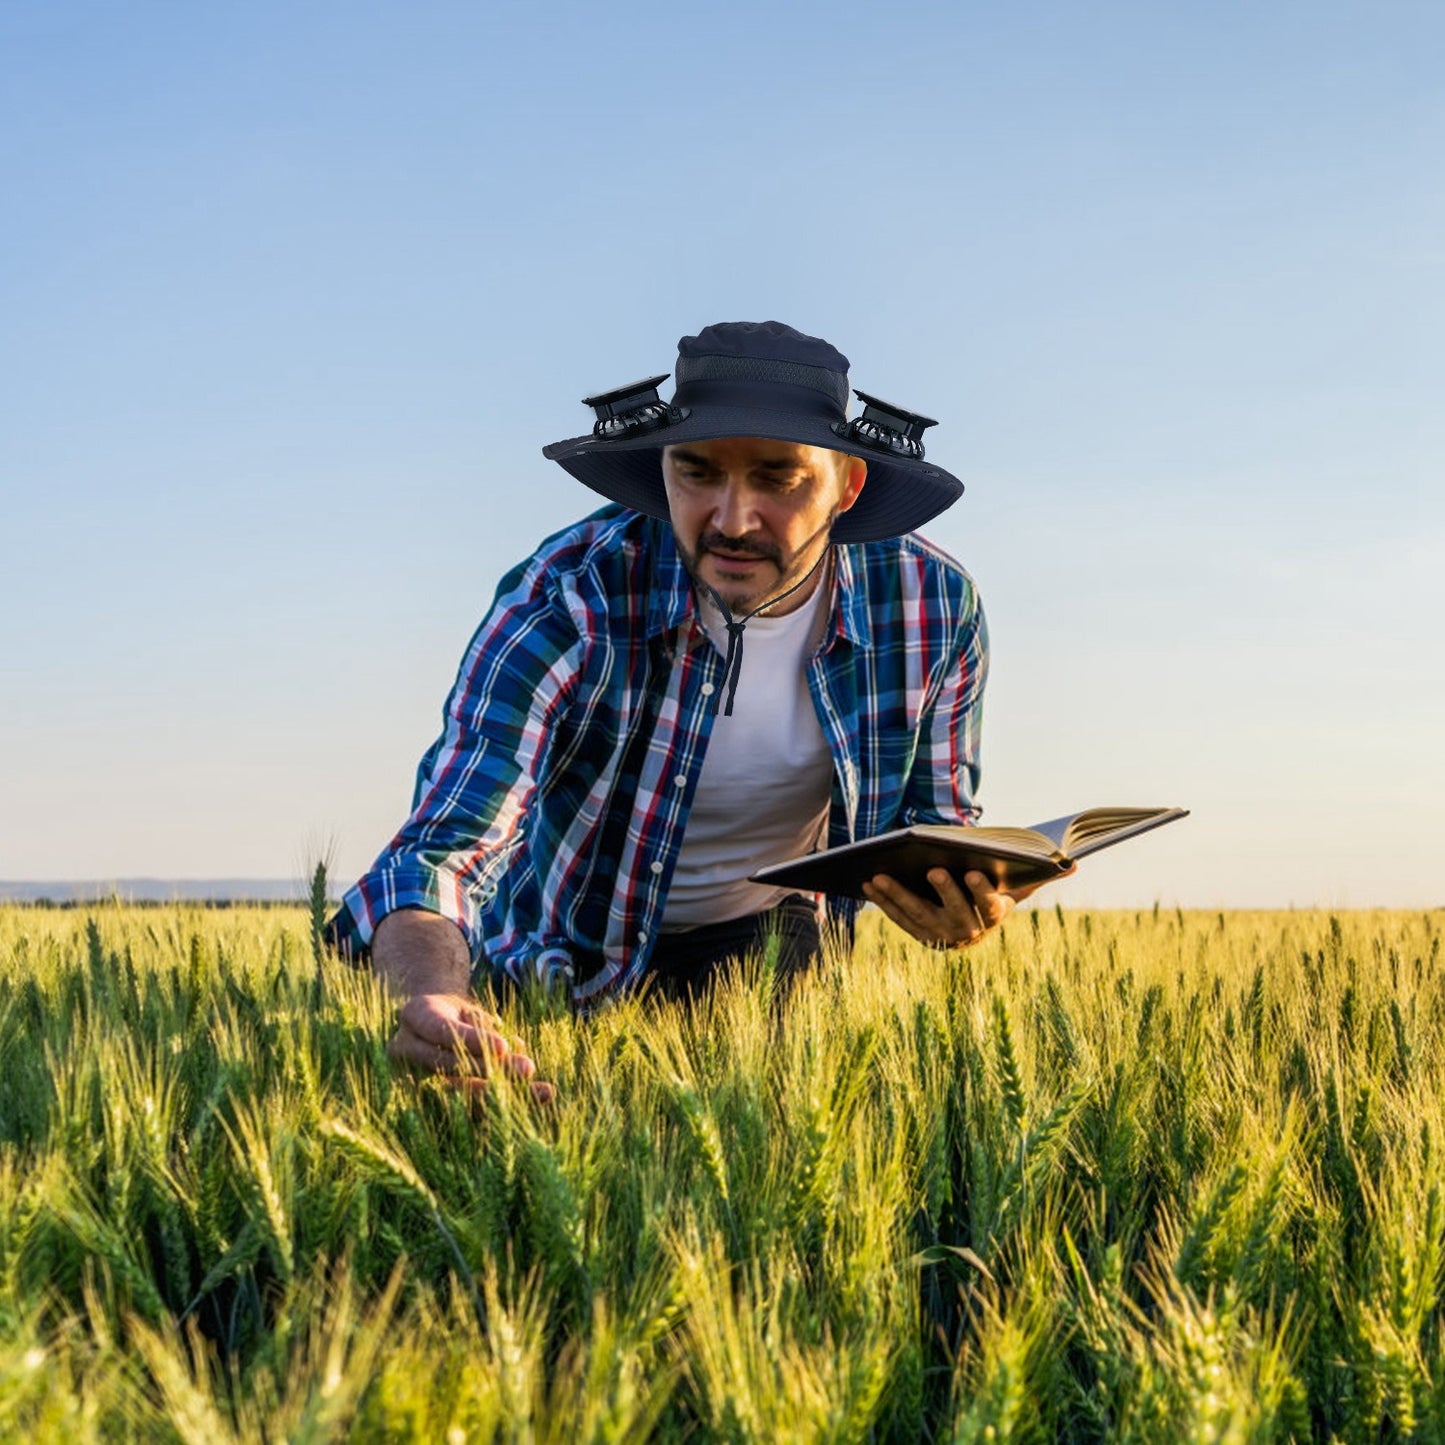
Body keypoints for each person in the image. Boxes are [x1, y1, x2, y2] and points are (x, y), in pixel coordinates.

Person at [329, 320, 1046, 1088]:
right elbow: (445, 845)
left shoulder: (930, 607)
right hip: (561, 947)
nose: (732, 520)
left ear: (847, 484)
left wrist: (959, 904)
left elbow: (937, 824)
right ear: (660, 466)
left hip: (765, 943)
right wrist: (432, 994)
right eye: (697, 472)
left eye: (778, 477)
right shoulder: (571, 595)